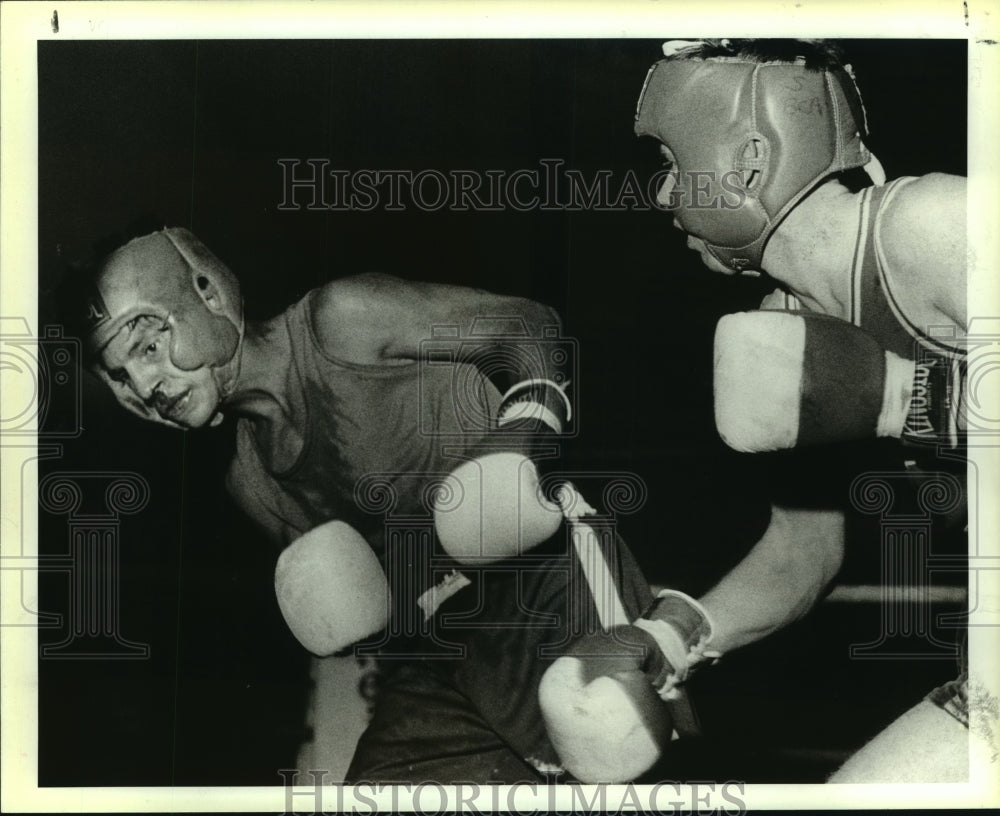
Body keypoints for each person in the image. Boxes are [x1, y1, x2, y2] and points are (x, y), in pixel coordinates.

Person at [70, 224, 693, 783]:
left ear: (206, 295)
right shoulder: (250, 480)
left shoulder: (340, 321)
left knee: (622, 751)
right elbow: (371, 605)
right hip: (436, 656)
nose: (147, 386)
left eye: (147, 349)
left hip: (550, 587)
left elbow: (530, 325)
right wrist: (355, 619)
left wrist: (522, 429)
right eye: (121, 376)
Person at [538, 38, 979, 784]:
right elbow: (803, 554)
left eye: (671, 162)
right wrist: (674, 634)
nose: (661, 196)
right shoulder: (786, 329)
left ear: (748, 160)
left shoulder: (934, 224)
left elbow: (905, 404)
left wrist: (905, 397)